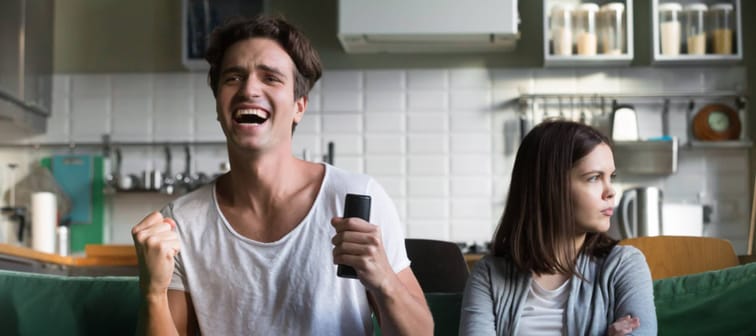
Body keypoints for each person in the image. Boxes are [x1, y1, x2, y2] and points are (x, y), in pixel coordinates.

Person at [131, 15, 433, 335]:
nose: (249, 89)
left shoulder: (359, 199)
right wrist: (153, 292)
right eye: (233, 77)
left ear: (299, 106)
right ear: (219, 106)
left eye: (270, 78)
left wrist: (384, 280)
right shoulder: (181, 223)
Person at [459, 120, 657, 335]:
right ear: (549, 186)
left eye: (611, 177)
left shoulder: (624, 266)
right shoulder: (488, 275)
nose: (610, 192)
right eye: (594, 178)